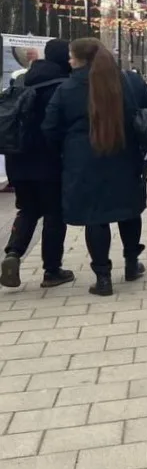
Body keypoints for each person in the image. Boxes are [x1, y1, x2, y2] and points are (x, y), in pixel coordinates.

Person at [42, 38, 147, 296]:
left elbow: (50, 129)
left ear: (82, 59)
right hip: (125, 158)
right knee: (129, 210)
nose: (69, 61)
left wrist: (66, 151)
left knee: (95, 218)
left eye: (72, 57)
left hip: (83, 165)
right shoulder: (130, 82)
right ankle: (131, 263)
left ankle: (103, 278)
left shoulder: (66, 89)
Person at [0, 38, 74, 289]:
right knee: (54, 214)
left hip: (18, 159)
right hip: (50, 163)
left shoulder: (22, 79)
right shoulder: (63, 86)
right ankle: (52, 270)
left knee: (28, 209)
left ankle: (13, 253)